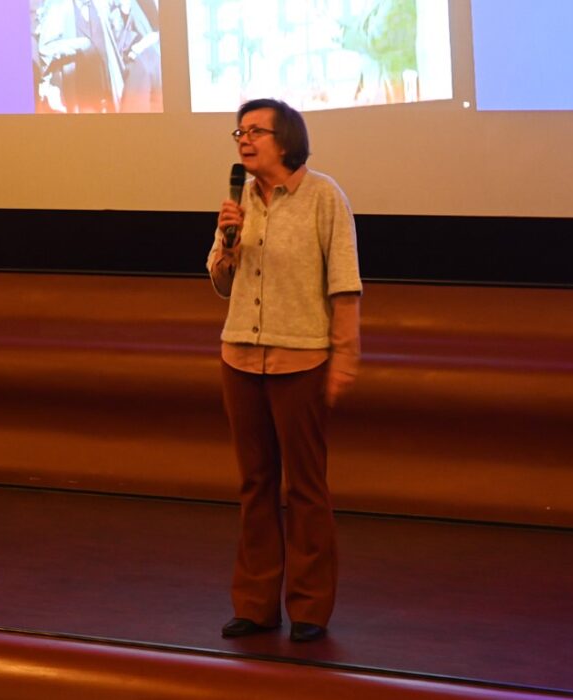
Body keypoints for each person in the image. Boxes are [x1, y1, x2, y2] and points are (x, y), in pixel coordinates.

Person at [206, 99, 362, 643]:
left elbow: (345, 285)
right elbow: (222, 284)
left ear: (287, 139)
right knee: (255, 485)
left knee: (306, 488)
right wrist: (228, 244)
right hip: (240, 358)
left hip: (302, 361)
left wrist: (345, 357)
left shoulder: (324, 196)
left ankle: (311, 607)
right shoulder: (239, 200)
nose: (245, 140)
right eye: (239, 132)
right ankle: (254, 603)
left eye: (256, 131)